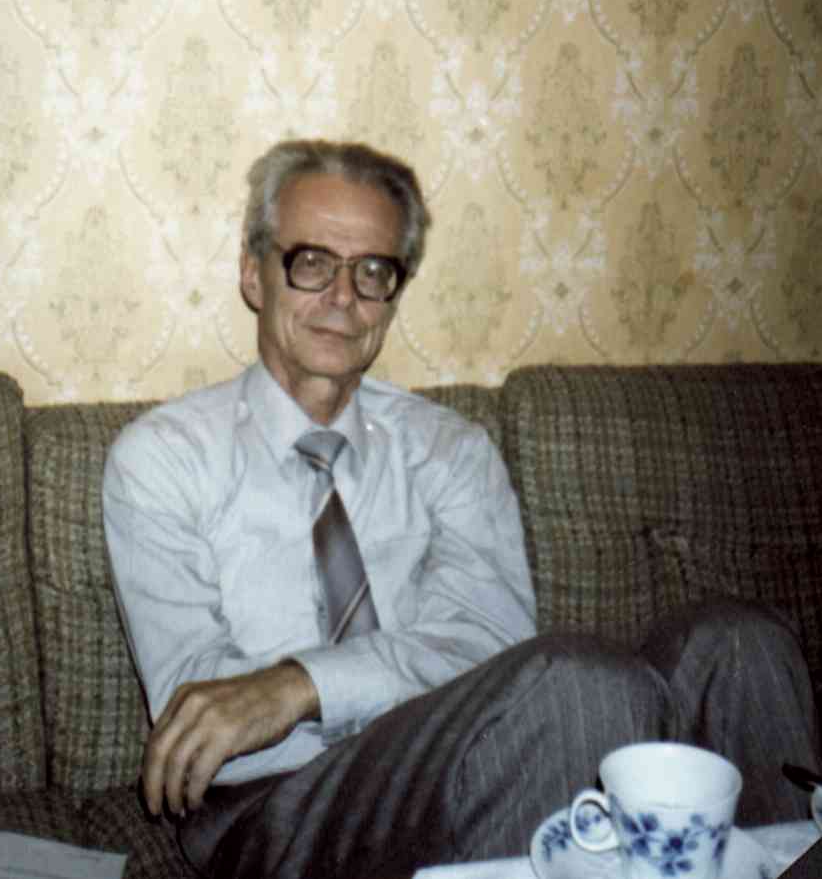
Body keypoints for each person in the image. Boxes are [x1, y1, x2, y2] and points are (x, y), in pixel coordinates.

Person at [103, 139, 820, 879]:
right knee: (580, 686)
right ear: (254, 273)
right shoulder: (163, 457)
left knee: (740, 641)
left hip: (453, 757)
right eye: (312, 262)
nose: (343, 298)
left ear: (393, 294)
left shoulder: (450, 449)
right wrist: (347, 690)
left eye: (372, 271)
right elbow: (199, 713)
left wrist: (302, 684)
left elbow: (488, 639)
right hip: (270, 807)